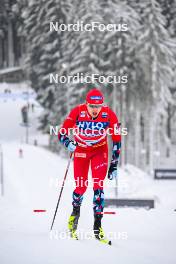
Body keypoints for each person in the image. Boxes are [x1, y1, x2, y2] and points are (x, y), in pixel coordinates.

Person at [58, 88, 121, 243]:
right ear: (86, 104)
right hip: (81, 152)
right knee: (81, 187)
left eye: (98, 106)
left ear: (102, 105)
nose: (95, 109)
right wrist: (68, 143)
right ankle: (74, 216)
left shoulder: (109, 114)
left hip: (100, 152)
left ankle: (97, 226)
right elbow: (61, 132)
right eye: (92, 106)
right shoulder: (77, 112)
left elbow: (117, 140)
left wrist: (113, 165)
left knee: (98, 187)